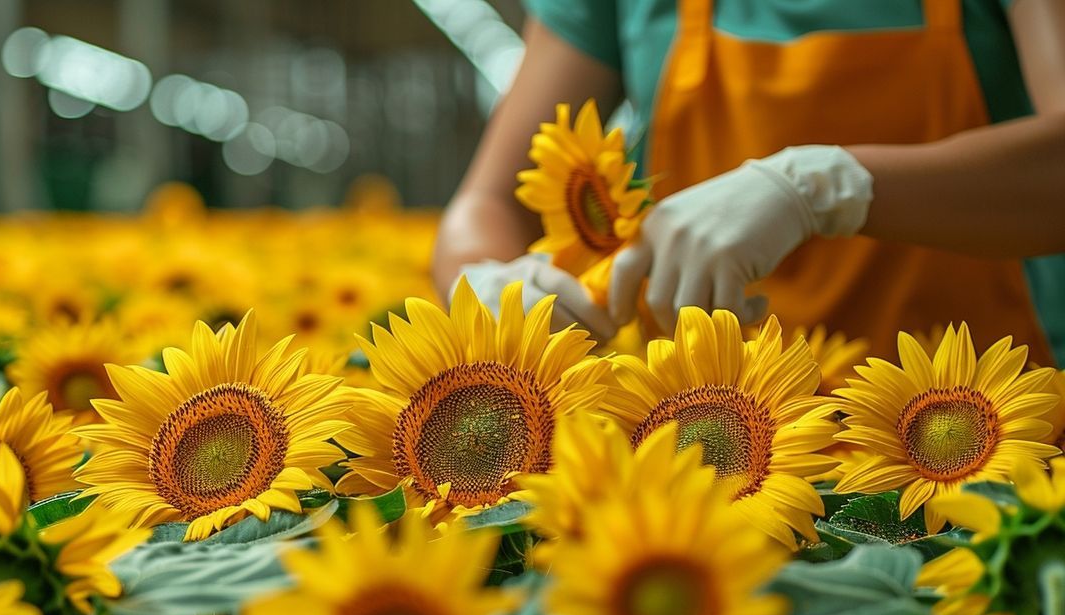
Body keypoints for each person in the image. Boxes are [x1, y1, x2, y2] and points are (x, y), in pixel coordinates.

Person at [431, 0, 1065, 364]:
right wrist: (485, 284)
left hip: (979, 433)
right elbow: (486, 202)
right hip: (696, 436)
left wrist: (821, 186)